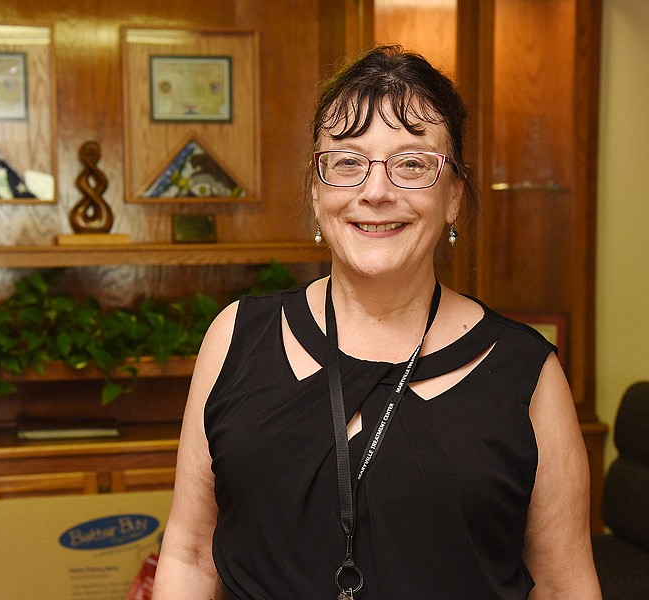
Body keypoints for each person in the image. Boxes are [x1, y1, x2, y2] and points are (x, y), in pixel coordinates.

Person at [152, 45, 602, 599]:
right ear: (318, 193)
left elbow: (563, 587)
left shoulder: (527, 374)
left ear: (454, 196)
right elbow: (192, 554)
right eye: (347, 163)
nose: (376, 191)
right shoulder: (235, 336)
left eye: (412, 164)